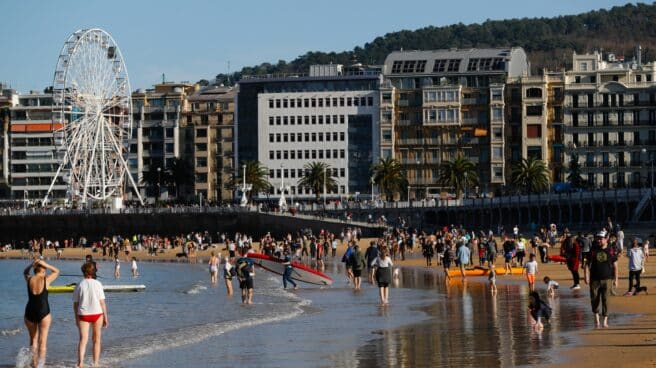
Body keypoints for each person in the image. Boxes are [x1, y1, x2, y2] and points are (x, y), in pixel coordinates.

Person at [23, 259, 59, 368]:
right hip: (43, 312)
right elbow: (57, 271)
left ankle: (33, 364)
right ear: (44, 269)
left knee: (33, 341)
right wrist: (46, 264)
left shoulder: (29, 279)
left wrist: (31, 264)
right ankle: (40, 365)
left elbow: (25, 272)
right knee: (42, 342)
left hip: (29, 311)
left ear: (35, 268)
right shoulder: (46, 279)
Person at [73, 262, 108, 368]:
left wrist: (76, 318)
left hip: (83, 315)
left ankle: (80, 363)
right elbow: (102, 302)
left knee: (83, 340)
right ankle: (96, 364)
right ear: (93, 272)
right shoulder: (98, 284)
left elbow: (75, 304)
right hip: (97, 314)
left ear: (83, 272)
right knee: (96, 340)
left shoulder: (79, 284)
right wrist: (106, 317)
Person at [584, 230, 618, 328]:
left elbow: (615, 265)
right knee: (594, 299)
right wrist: (586, 276)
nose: (599, 240)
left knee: (606, 300)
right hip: (594, 279)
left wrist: (616, 279)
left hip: (607, 279)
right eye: (598, 238)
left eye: (601, 238)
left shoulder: (611, 250)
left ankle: (605, 321)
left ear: (606, 239)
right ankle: (596, 319)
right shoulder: (593, 250)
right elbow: (587, 264)